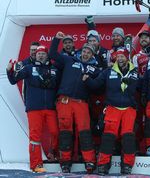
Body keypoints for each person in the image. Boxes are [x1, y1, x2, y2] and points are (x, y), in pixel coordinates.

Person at [48, 31, 100, 173]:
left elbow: (98, 87)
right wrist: (56, 39)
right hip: (64, 101)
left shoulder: (95, 69)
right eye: (84, 51)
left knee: (85, 132)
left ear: (92, 55)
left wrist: (88, 80)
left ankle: (89, 161)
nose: (85, 54)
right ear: (80, 51)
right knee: (65, 132)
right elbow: (52, 54)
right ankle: (65, 161)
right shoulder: (69, 60)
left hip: (81, 103)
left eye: (89, 52)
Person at [82, 48, 139, 175]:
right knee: (108, 137)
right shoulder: (108, 71)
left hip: (129, 109)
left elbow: (140, 88)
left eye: (122, 56)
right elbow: (96, 85)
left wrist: (131, 83)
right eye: (118, 56)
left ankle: (127, 165)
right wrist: (87, 80)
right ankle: (103, 165)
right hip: (112, 108)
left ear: (127, 58)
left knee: (128, 138)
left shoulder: (134, 72)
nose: (120, 59)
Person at [6, 45, 60, 173]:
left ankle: (53, 154)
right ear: (35, 56)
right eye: (38, 53)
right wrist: (9, 71)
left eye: (43, 53)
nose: (40, 55)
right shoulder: (29, 68)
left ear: (47, 55)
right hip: (34, 108)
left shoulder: (54, 69)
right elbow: (14, 80)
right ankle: (36, 164)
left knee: (55, 132)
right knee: (35, 137)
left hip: (51, 108)